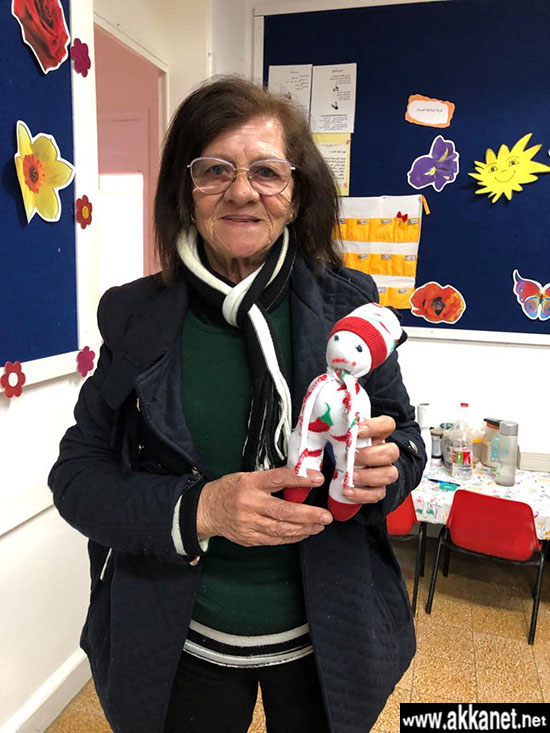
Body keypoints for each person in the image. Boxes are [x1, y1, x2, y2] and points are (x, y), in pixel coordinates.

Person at [49, 75, 426, 733]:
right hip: (179, 641)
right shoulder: (135, 315)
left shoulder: (349, 302)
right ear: (185, 191)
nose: (242, 191)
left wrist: (384, 470)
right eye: (215, 170)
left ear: (296, 194)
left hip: (325, 638)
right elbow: (76, 477)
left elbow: (409, 441)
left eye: (267, 172)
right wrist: (199, 509)